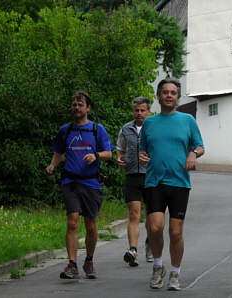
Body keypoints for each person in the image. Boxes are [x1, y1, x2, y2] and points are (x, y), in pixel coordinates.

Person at [139, 78, 204, 291]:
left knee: (175, 232)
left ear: (177, 96)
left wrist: (193, 154)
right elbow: (144, 150)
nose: (169, 95)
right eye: (165, 92)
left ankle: (175, 272)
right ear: (158, 96)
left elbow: (200, 146)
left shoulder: (187, 120)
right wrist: (142, 156)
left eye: (173, 92)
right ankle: (158, 267)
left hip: (179, 182)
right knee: (156, 227)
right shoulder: (149, 122)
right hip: (154, 182)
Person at [46, 91, 114, 279]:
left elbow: (109, 153)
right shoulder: (65, 130)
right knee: (72, 222)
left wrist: (96, 155)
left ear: (88, 108)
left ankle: (89, 260)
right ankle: (72, 264)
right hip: (70, 182)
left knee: (91, 226)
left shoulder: (97, 129)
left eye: (80, 104)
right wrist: (53, 164)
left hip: (91, 182)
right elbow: (59, 152)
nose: (76, 107)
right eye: (74, 105)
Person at [116, 97, 153, 266]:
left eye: (142, 110)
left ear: (149, 111)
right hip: (132, 175)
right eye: (136, 110)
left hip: (151, 175)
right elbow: (120, 150)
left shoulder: (154, 127)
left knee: (151, 216)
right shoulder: (126, 128)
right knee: (134, 214)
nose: (139, 113)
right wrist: (120, 159)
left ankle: (150, 243)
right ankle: (133, 250)